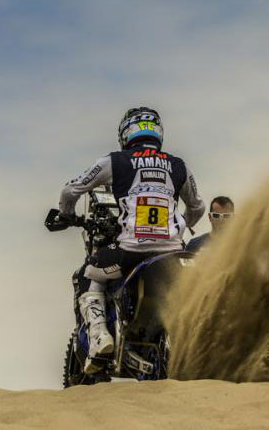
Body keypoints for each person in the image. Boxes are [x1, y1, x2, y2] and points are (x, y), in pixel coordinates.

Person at [57, 107, 205, 373]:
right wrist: (179, 228)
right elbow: (197, 207)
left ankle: (100, 338)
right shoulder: (179, 165)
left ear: (126, 133)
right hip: (173, 252)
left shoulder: (114, 161)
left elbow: (71, 190)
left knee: (88, 274)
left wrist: (66, 215)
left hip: (131, 250)